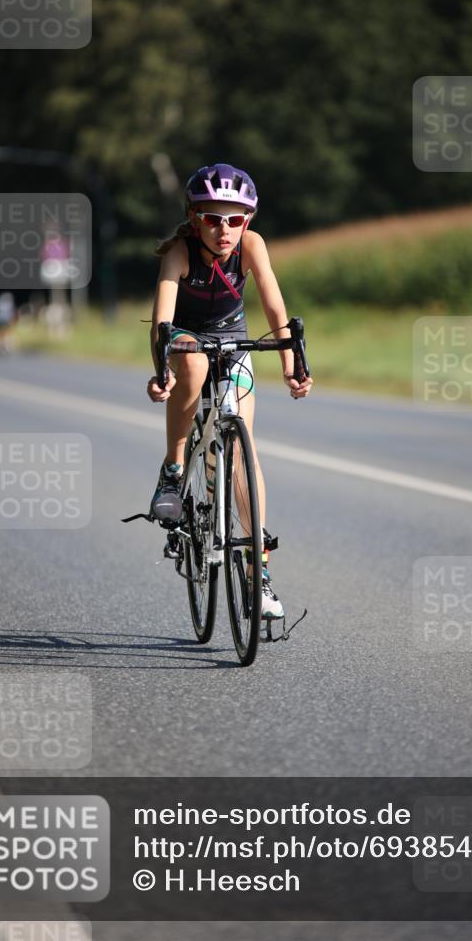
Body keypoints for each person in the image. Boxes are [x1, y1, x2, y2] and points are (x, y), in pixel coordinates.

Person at [147, 163, 313, 620]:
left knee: (242, 453)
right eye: (213, 218)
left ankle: (258, 574)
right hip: (183, 334)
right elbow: (161, 318)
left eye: (235, 219)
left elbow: (274, 305)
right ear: (194, 216)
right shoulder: (179, 252)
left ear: (249, 221)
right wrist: (162, 372)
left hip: (231, 335)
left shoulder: (252, 246)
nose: (225, 229)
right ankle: (174, 469)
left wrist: (289, 365)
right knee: (195, 367)